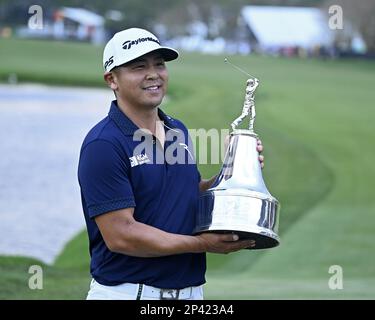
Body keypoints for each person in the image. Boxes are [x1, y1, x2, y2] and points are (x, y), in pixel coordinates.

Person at [78, 28, 264, 300]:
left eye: (159, 64)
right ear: (112, 80)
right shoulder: (104, 145)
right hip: (130, 293)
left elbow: (187, 193)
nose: (153, 74)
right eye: (139, 66)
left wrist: (234, 171)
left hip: (191, 294)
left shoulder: (177, 130)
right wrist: (202, 244)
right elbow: (122, 235)